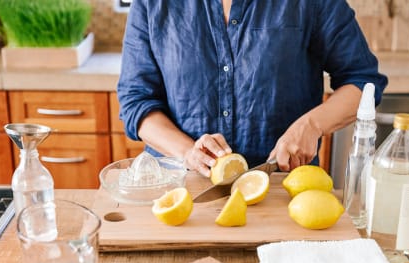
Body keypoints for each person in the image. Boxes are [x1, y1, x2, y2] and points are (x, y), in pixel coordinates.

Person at [117, 0, 388, 178]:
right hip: (178, 188)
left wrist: (312, 125)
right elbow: (136, 101)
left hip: (283, 189)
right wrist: (188, 152)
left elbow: (363, 82)